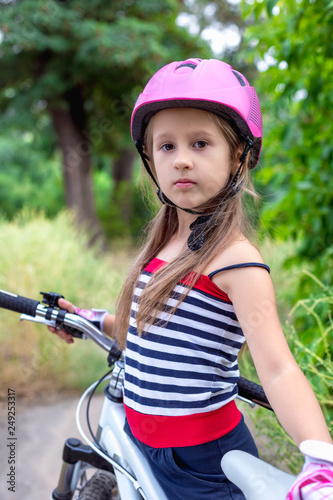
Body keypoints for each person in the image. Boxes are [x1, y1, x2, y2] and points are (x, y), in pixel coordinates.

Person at [49, 59, 333, 500]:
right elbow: (145, 331)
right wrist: (89, 319)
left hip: (202, 463)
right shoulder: (160, 247)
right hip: (145, 441)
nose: (181, 160)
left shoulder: (236, 260)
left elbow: (277, 370)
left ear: (237, 156)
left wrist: (320, 460)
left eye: (200, 143)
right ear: (150, 159)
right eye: (166, 147)